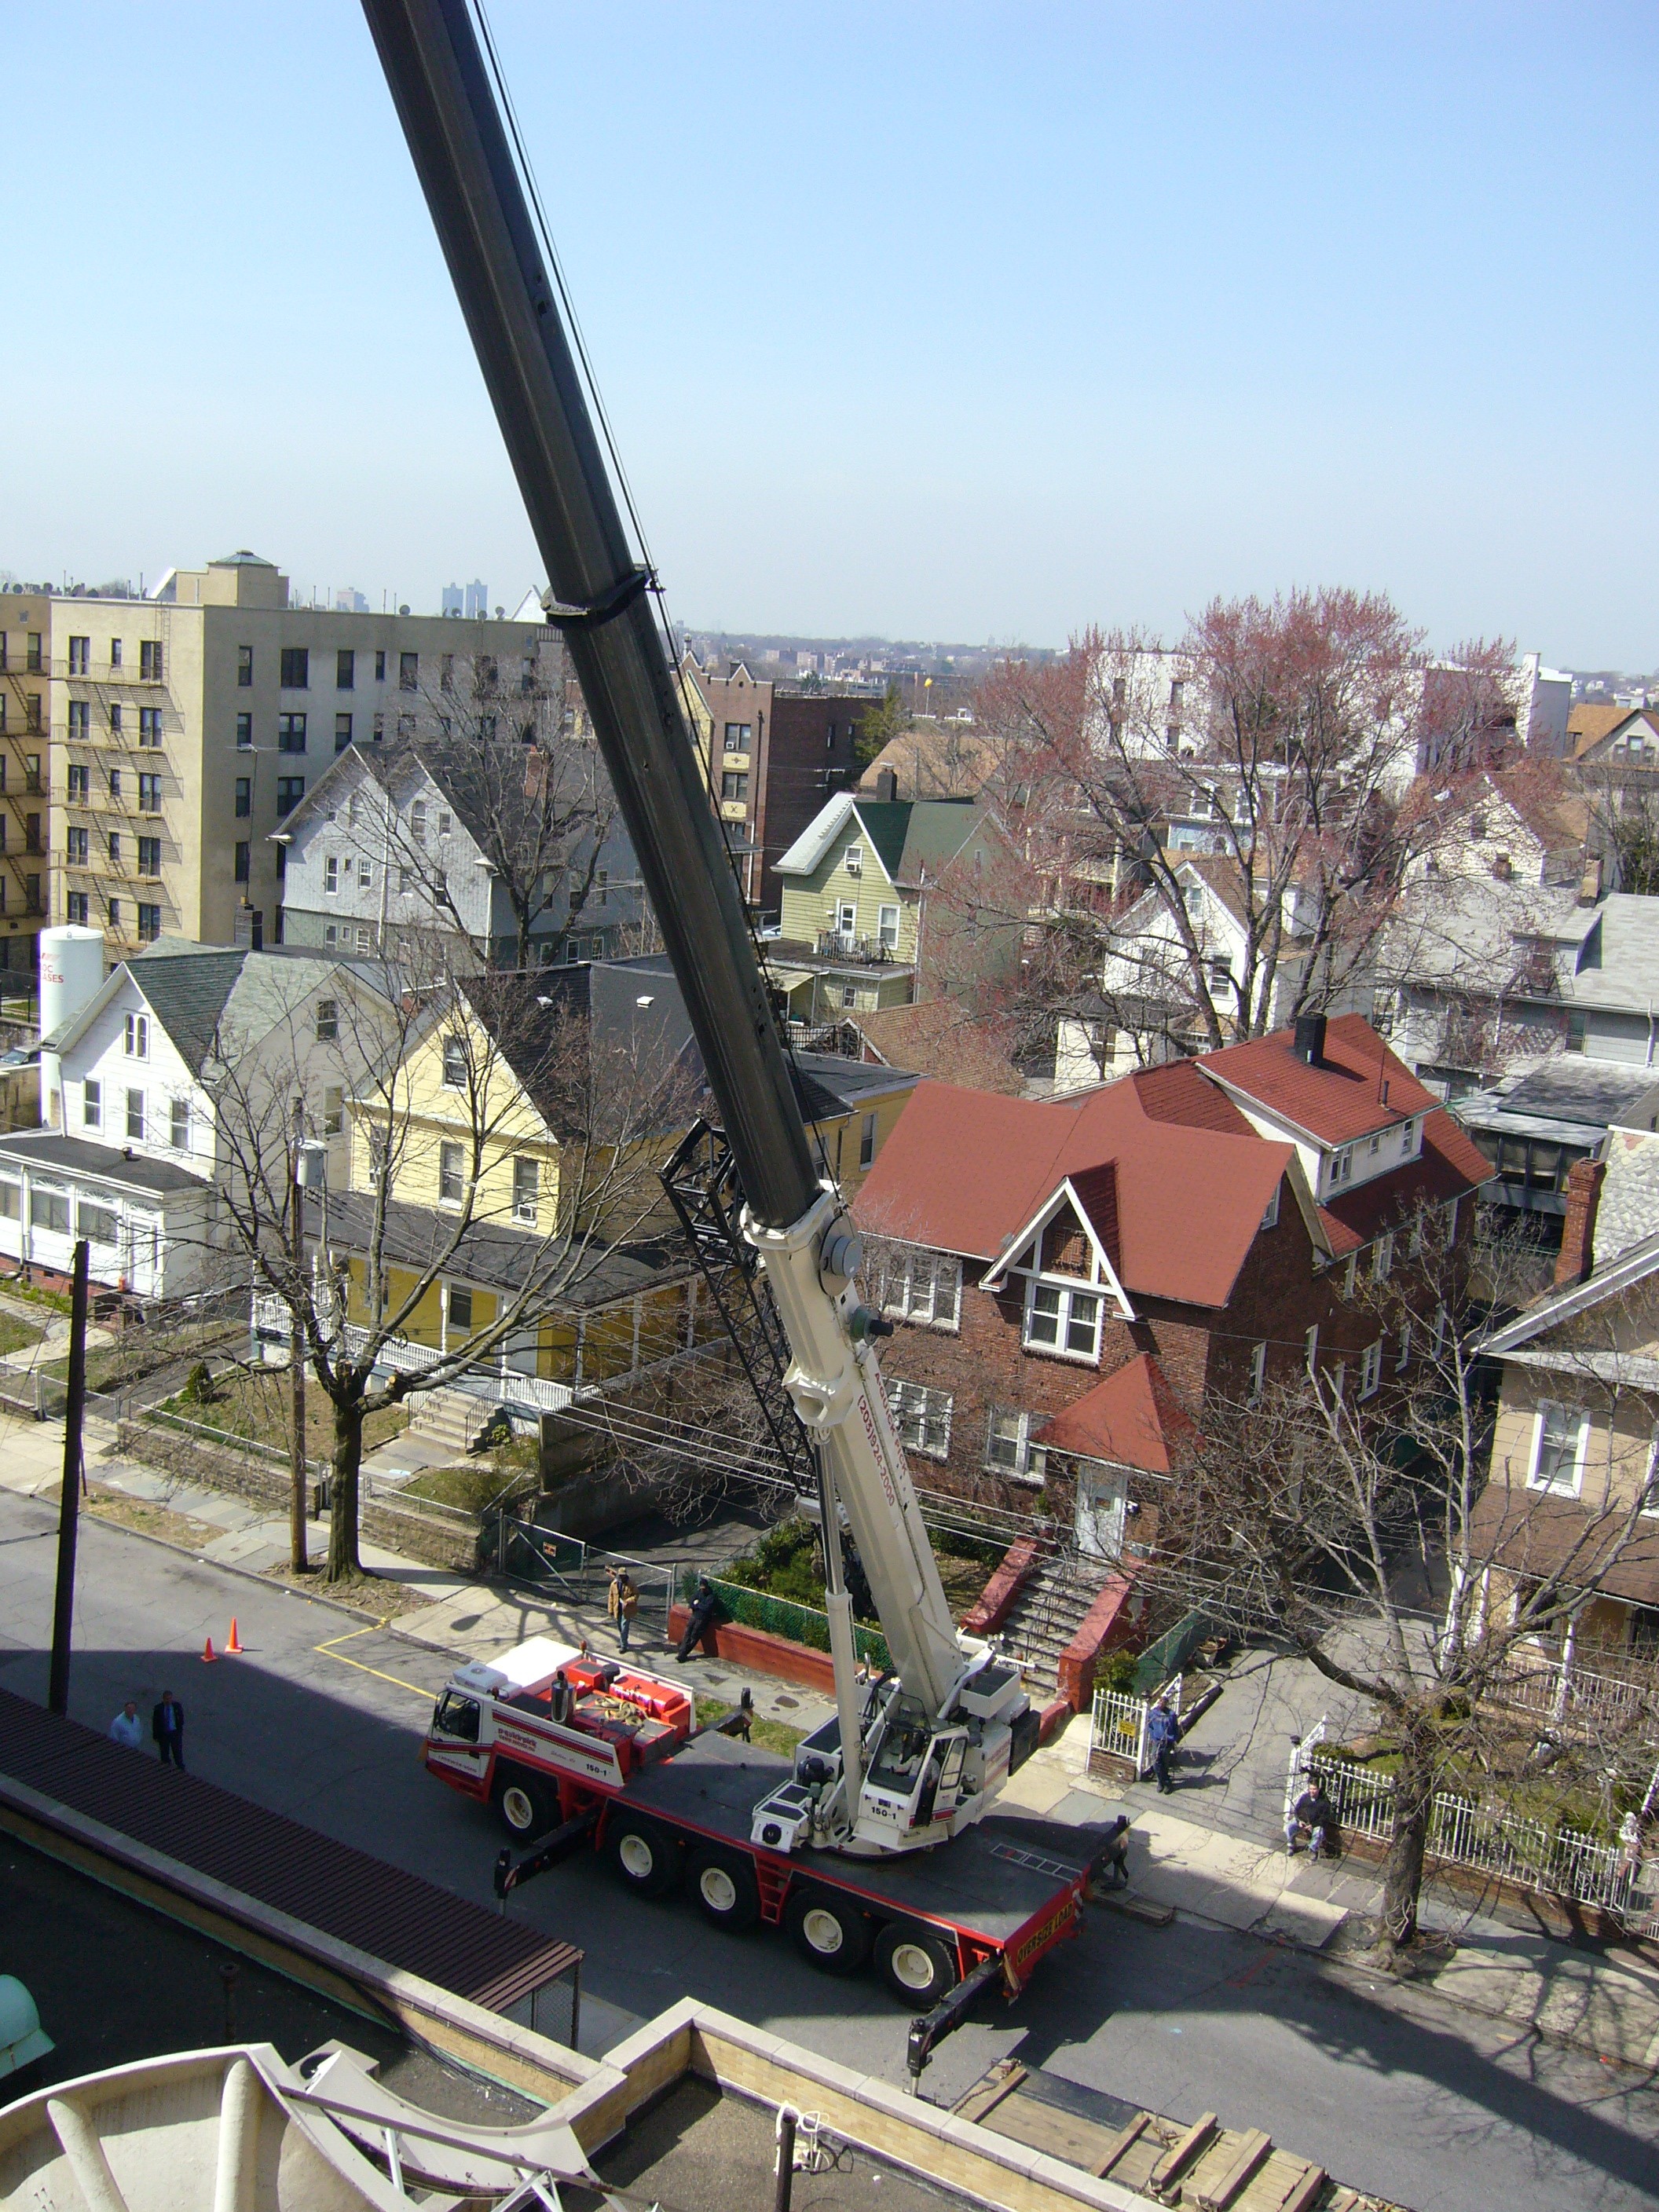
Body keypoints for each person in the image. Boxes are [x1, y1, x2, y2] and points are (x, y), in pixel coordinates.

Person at [1287, 1782, 1339, 1861]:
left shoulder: (1323, 1802)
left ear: (1318, 1790)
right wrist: (1299, 1821)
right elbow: (1297, 1810)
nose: (1312, 1791)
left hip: (1315, 1824)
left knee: (1319, 1833)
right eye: (1310, 1789)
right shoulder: (1304, 1798)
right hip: (1303, 1822)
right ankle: (1291, 1846)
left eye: (1314, 1789)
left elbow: (1325, 1818)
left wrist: (1313, 1825)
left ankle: (1313, 1849)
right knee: (1289, 1827)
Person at [1147, 1697, 1180, 1795]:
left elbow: (1175, 1728)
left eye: (1164, 1702)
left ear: (1166, 1704)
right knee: (1155, 1761)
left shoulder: (1171, 1715)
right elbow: (1150, 1726)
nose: (1161, 1704)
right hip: (1157, 1741)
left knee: (1165, 1763)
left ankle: (1166, 1783)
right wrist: (1153, 1737)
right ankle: (1162, 1781)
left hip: (1167, 1742)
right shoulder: (1153, 1713)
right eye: (1160, 1701)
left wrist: (1173, 1740)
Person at [152, 1688, 185, 1770]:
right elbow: (155, 1722)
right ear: (163, 1699)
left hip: (174, 1733)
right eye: (167, 1699)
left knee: (177, 1752)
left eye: (170, 1698)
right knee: (164, 1753)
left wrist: (179, 1730)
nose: (169, 1701)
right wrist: (156, 1736)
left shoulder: (176, 1706)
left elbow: (181, 1718)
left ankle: (180, 1767)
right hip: (164, 1734)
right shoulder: (158, 1708)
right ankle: (166, 1767)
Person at [609, 1569, 639, 1654]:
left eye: (623, 1576)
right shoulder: (614, 1584)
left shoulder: (631, 1584)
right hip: (617, 1609)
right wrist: (610, 1609)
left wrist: (628, 1601)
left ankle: (623, 1646)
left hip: (627, 1610)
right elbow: (611, 1597)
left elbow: (636, 1595)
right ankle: (623, 1641)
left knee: (624, 1627)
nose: (622, 1578)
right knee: (620, 1627)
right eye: (621, 1576)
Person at [1098, 1815, 1131, 1889]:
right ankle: (1119, 1879)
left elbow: (1109, 1840)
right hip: (1120, 1851)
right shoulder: (1124, 1830)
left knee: (1115, 1864)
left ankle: (1117, 1881)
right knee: (1119, 1865)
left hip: (1117, 1852)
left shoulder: (1119, 1831)